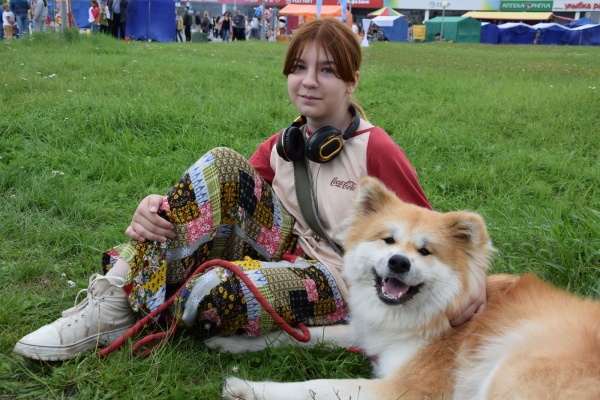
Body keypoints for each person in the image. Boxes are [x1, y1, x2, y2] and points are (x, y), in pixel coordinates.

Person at [13, 18, 486, 361]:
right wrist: (155, 208)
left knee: (214, 294)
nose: (308, 81)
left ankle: (152, 294)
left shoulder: (375, 148)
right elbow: (212, 197)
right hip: (283, 252)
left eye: (326, 70)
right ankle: (114, 302)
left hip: (341, 281)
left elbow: (429, 235)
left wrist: (476, 285)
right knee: (222, 163)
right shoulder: (284, 144)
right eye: (298, 67)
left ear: (352, 80)